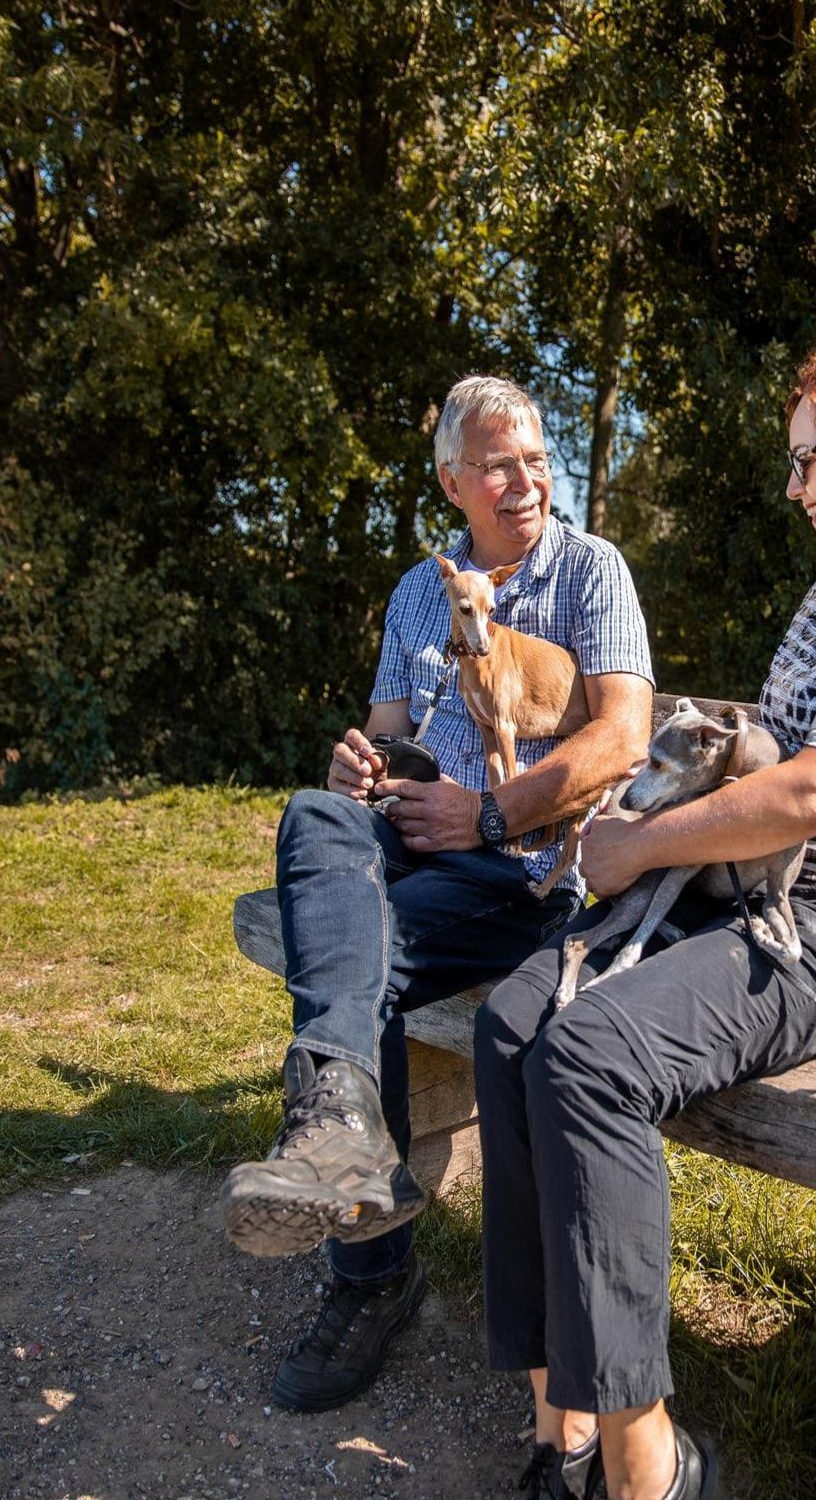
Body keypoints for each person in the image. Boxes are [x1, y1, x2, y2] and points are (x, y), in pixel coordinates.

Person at [471, 336, 816, 1500]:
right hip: (739, 895)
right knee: (514, 1025)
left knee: (591, 1057)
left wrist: (633, 847)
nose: (795, 483)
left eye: (808, 458)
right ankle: (558, 1421)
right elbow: (763, 750)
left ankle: (646, 1462)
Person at [221, 375, 654, 1424]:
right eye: (500, 464)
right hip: (410, 850)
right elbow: (385, 732)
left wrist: (489, 815)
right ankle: (342, 1129)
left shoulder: (590, 574)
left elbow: (620, 741)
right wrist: (362, 768)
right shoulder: (419, 594)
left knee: (347, 954)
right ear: (453, 480)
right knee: (316, 819)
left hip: (523, 873)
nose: (526, 481)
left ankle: (367, 1272)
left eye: (538, 458)